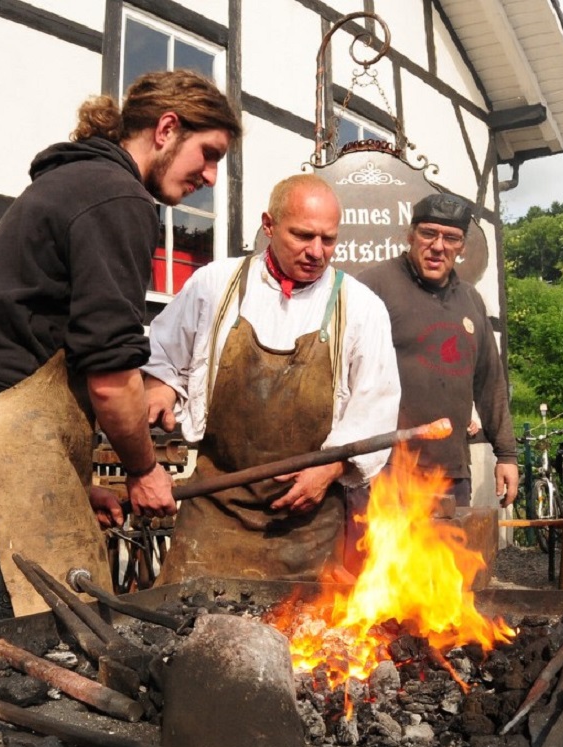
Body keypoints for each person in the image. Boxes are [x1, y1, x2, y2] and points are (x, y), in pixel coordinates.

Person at [0, 70, 241, 619]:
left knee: (73, 636)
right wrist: (143, 471)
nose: (212, 176)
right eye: (208, 153)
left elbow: (50, 338)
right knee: (59, 643)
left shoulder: (82, 184)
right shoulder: (116, 196)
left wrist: (77, 484)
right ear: (167, 128)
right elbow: (112, 374)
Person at [143, 174, 401, 584]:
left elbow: (376, 407)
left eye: (328, 239)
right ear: (269, 225)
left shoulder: (361, 307)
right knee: (188, 629)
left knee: (311, 640)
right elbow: (162, 353)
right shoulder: (215, 285)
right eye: (302, 235)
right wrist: (159, 383)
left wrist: (331, 469)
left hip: (307, 524)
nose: (317, 252)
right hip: (214, 512)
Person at [358, 193, 518, 508]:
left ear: (462, 247)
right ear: (410, 235)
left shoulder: (471, 301)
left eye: (451, 238)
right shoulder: (373, 287)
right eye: (428, 233)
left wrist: (507, 454)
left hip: (452, 473)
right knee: (383, 559)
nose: (438, 246)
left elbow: (489, 383)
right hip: (387, 470)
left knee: (451, 558)